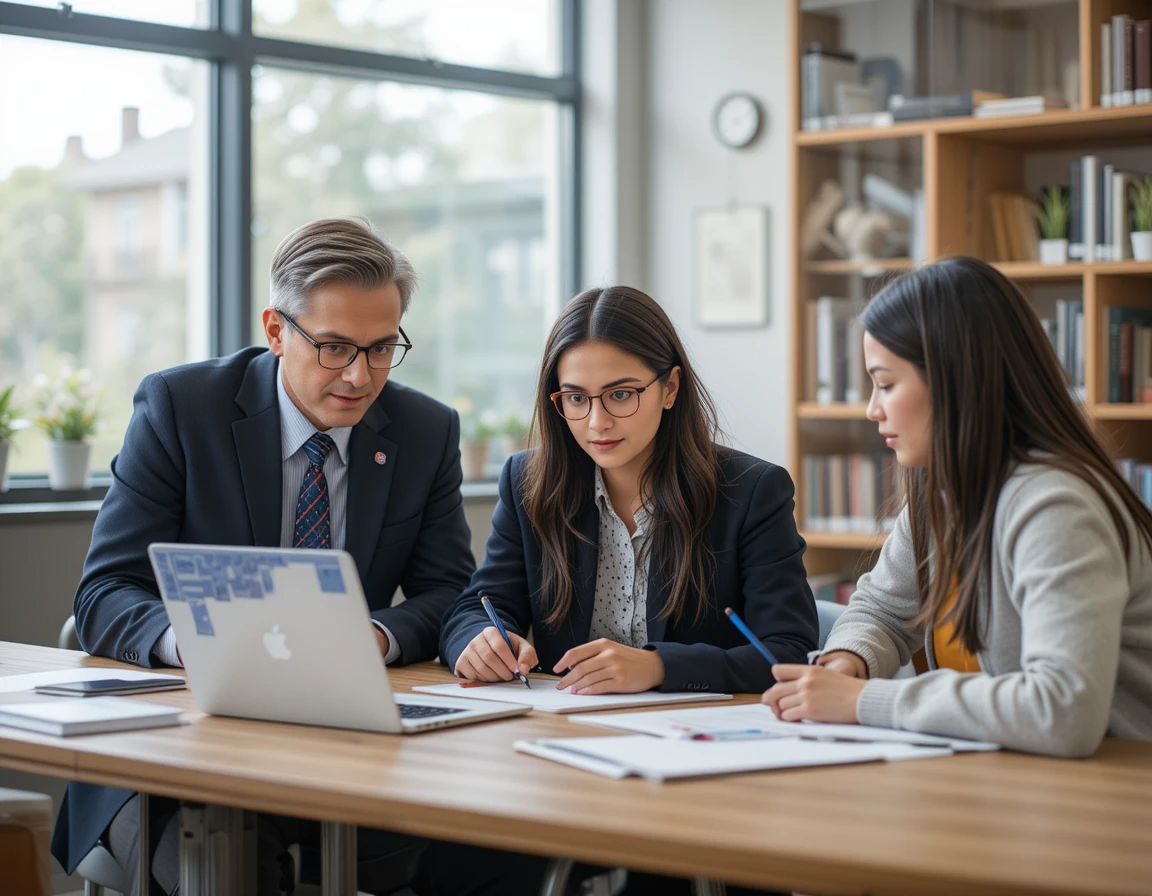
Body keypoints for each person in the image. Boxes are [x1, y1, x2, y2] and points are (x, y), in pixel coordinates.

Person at [51, 217, 476, 895]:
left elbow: (449, 592)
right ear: (276, 331)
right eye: (335, 347)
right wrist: (196, 640)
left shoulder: (423, 430)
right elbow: (105, 592)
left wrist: (373, 635)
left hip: (351, 748)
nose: (360, 375)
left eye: (382, 347)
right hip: (185, 751)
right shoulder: (181, 408)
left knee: (482, 846)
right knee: (221, 852)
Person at [433, 285, 816, 895]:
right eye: (576, 399)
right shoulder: (529, 482)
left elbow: (787, 654)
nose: (597, 421)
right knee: (453, 865)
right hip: (566, 756)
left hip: (704, 773)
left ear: (669, 388)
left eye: (620, 395)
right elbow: (480, 603)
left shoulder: (751, 492)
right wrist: (478, 639)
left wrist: (658, 668)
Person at [762, 256, 1152, 758]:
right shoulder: (942, 491)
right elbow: (881, 609)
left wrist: (864, 700)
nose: (872, 409)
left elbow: (1064, 710)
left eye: (885, 384)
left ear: (953, 381)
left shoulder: (1055, 506)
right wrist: (846, 662)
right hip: (1023, 773)